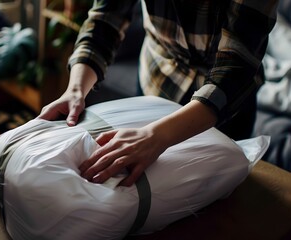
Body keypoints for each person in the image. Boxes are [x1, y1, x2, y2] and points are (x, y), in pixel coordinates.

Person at [38, 0, 278, 187]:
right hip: (157, 82)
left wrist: (156, 136)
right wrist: (76, 89)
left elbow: (236, 67)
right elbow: (105, 20)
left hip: (224, 105)